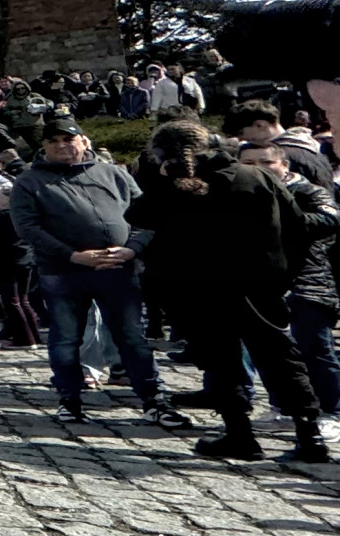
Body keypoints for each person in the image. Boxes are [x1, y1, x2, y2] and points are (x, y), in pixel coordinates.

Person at [129, 121, 325, 460]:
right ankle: (310, 438)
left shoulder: (171, 188)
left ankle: (240, 434)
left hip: (200, 290)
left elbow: (137, 215)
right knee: (281, 359)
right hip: (260, 287)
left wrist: (158, 174)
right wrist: (282, 274)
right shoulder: (256, 177)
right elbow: (296, 226)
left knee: (222, 363)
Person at [9, 115, 186, 426]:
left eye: (68, 139)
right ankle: (70, 399)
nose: (62, 145)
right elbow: (28, 228)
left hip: (119, 267)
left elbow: (146, 215)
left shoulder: (114, 173)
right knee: (66, 338)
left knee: (131, 337)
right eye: (53, 141)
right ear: (44, 147)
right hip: (63, 272)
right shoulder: (29, 182)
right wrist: (74, 256)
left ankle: (153, 398)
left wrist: (133, 248)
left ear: (83, 141)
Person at [240, 141, 340, 419]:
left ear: (283, 165)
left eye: (266, 162)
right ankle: (283, 407)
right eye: (249, 164)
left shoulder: (307, 191)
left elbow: (330, 220)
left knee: (315, 350)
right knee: (267, 352)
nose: (258, 169)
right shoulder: (239, 191)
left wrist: (276, 219)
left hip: (307, 280)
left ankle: (332, 412)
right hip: (259, 282)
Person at [0, 187, 41, 347]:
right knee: (24, 300)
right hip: (26, 261)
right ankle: (34, 335)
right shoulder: (27, 217)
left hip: (7, 264)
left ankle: (25, 340)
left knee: (12, 302)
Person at [229, 99, 335, 191]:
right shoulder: (309, 144)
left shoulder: (277, 156)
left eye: (241, 133)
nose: (241, 138)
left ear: (260, 125)